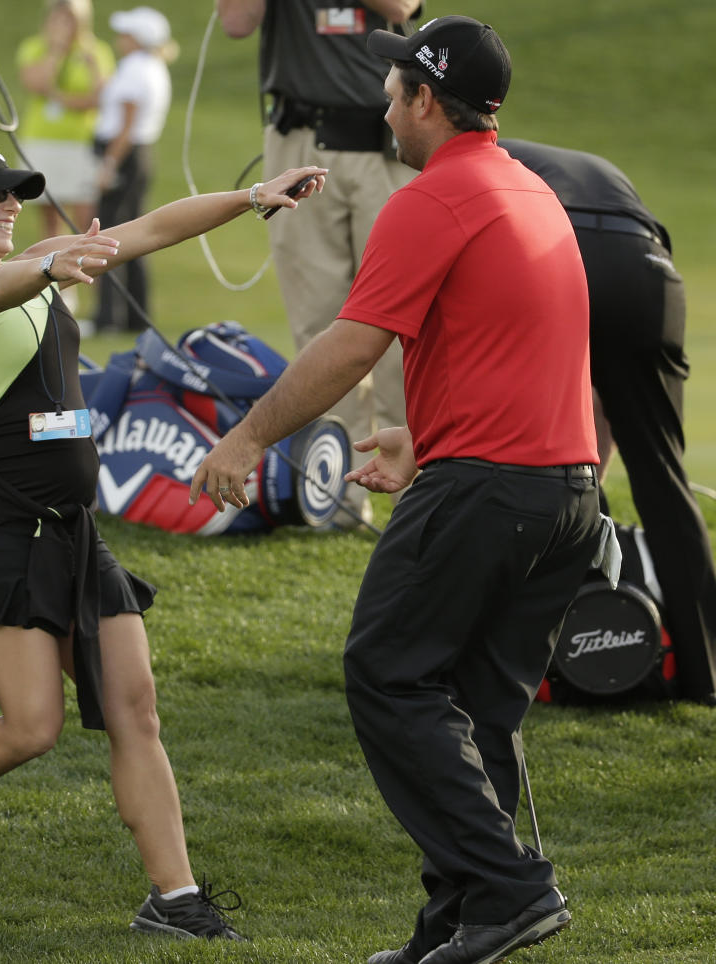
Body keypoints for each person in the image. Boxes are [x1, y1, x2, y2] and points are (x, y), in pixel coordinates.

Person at [0, 133, 325, 935]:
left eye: (16, 193)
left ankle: (174, 901)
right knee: (32, 726)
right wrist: (45, 270)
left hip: (70, 527)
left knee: (137, 708)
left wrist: (250, 197)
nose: (12, 205)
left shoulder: (37, 263)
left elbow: (154, 229)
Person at [189, 17, 604, 964]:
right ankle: (458, 928)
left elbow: (350, 343)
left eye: (394, 87)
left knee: (386, 672)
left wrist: (249, 436)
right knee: (476, 713)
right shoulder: (526, 189)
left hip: (489, 492)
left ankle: (511, 891)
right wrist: (425, 439)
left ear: (426, 100)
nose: (382, 99)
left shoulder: (435, 199)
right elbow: (523, 347)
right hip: (564, 493)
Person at [500, 137, 716, 706]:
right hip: (650, 270)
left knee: (518, 464)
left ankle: (510, 655)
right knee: (663, 478)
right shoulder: (573, 163)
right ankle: (705, 676)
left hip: (567, 256)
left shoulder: (470, 160)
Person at [215, 0, 422, 529]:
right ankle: (341, 496)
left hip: (384, 146)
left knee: (404, 332)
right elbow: (237, 23)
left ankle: (419, 492)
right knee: (319, 327)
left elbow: (400, 5)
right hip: (300, 137)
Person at [91, 5, 176, 333]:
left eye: (126, 34)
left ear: (138, 39)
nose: (120, 39)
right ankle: (134, 318)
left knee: (110, 235)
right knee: (135, 234)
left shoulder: (135, 68)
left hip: (123, 156)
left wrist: (109, 165)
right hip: (138, 157)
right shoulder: (151, 67)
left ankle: (108, 318)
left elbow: (125, 126)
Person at [16, 0, 115, 238]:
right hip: (42, 140)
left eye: (69, 19)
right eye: (57, 19)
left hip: (81, 142)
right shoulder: (34, 47)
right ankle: (52, 272)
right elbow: (36, 84)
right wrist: (56, 52)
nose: (63, 25)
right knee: (51, 223)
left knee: (86, 221)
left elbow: (102, 98)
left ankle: (91, 273)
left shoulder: (96, 51)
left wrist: (60, 98)